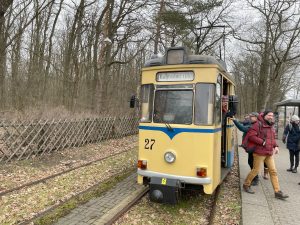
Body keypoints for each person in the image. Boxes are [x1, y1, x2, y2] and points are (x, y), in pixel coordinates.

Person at [242, 110, 288, 200]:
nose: (271, 117)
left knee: (273, 171)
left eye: (272, 115)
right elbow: (251, 136)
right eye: (269, 115)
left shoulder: (271, 125)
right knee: (255, 170)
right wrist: (262, 142)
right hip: (259, 152)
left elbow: (272, 138)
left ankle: (277, 192)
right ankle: (246, 185)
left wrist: (276, 146)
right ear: (264, 116)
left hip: (269, 153)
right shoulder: (257, 124)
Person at [231, 112, 260, 185]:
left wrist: (235, 120)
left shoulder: (254, 125)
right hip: (252, 147)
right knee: (251, 162)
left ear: (256, 117)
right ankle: (255, 177)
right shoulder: (252, 123)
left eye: (251, 116)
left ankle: (255, 179)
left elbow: (242, 128)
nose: (250, 117)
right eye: (250, 116)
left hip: (255, 147)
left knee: (252, 163)